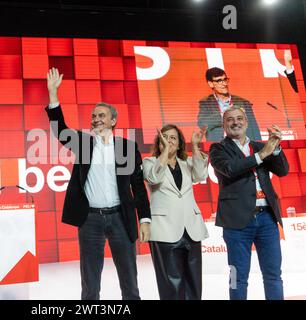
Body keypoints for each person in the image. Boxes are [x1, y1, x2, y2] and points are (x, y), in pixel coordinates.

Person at [45, 68, 151, 300]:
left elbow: (138, 187)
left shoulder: (127, 147)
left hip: (120, 218)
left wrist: (144, 219)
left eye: (101, 115)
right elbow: (59, 130)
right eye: (94, 116)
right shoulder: (83, 143)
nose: (96, 119)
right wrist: (53, 94)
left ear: (113, 121)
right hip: (90, 219)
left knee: (130, 282)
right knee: (90, 284)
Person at [209, 106, 289, 300]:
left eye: (239, 118)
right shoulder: (218, 149)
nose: (235, 122)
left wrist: (276, 147)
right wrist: (262, 155)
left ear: (246, 122)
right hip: (237, 223)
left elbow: (283, 170)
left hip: (267, 220)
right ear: (224, 125)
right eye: (230, 119)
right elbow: (230, 168)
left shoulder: (261, 146)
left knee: (273, 275)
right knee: (237, 277)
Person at [143, 124, 209, 300]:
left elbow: (201, 175)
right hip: (164, 230)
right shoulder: (149, 162)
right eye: (165, 137)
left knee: (194, 283)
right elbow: (153, 177)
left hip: (191, 230)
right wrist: (164, 152)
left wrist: (195, 146)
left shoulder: (187, 164)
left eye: (173, 137)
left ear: (180, 144)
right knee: (171, 286)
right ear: (159, 142)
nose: (169, 140)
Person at [198, 67, 261, 142]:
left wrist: (258, 147)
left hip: (242, 144)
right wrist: (224, 114)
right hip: (219, 146)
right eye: (219, 81)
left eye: (225, 79)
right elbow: (202, 123)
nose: (224, 84)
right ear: (211, 84)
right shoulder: (206, 103)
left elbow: (254, 128)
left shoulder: (243, 103)